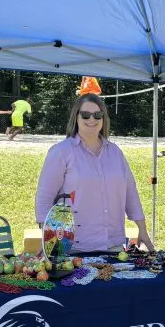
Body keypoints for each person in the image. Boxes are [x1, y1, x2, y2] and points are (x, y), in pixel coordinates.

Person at [34, 93, 155, 253]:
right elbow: (44, 196)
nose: (92, 119)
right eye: (85, 115)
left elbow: (130, 191)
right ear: (76, 117)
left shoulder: (115, 152)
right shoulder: (61, 152)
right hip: (73, 248)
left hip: (113, 245)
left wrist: (142, 229)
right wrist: (47, 240)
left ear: (103, 118)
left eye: (98, 115)